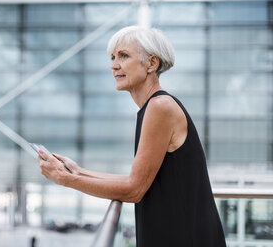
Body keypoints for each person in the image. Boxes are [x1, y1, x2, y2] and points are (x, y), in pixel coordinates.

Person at [37, 25, 226, 247]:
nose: (114, 65)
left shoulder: (160, 106)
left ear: (151, 64)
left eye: (124, 56)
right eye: (113, 57)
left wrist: (67, 179)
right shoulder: (153, 107)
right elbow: (137, 180)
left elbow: (134, 189)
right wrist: (79, 171)